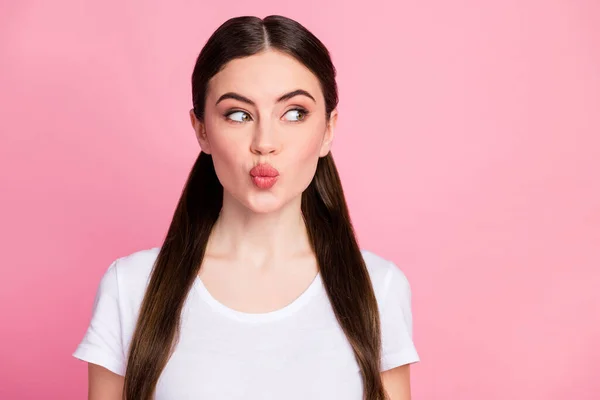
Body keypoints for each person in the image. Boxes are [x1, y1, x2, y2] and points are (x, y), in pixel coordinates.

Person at [72, 14, 420, 400]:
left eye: (294, 113)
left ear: (329, 130)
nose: (264, 142)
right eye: (238, 114)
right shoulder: (131, 287)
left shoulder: (379, 288)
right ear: (201, 129)